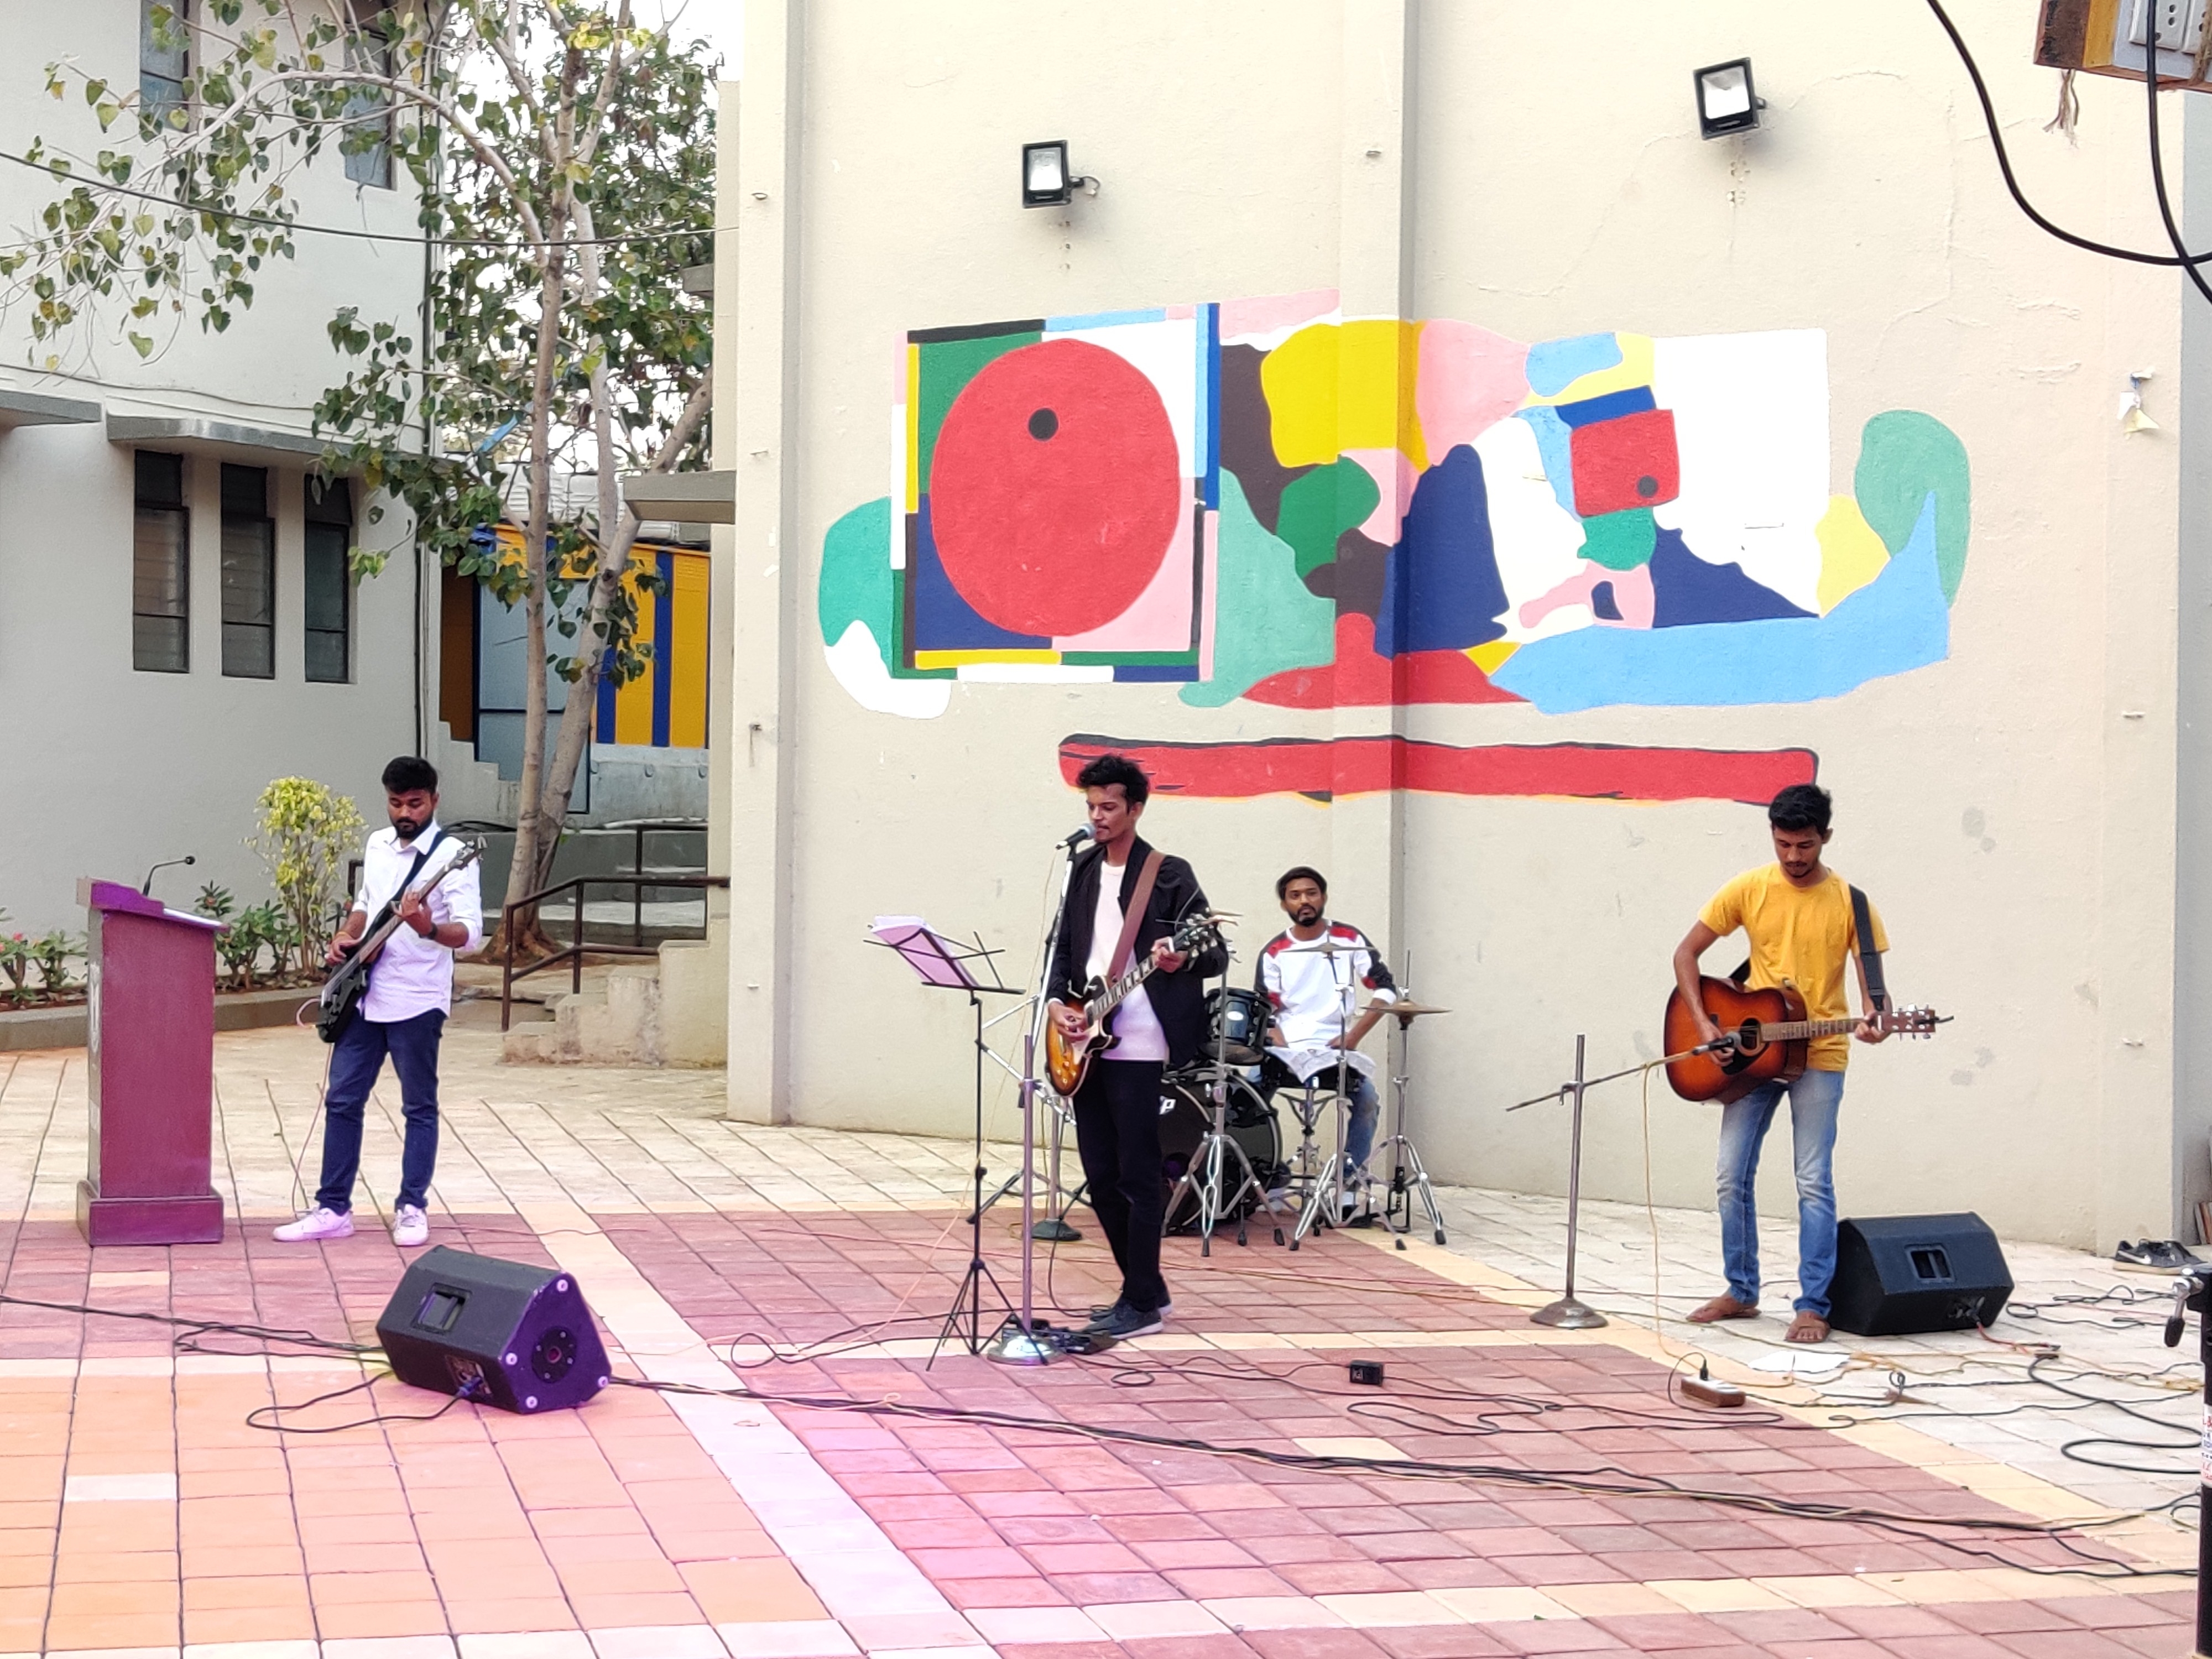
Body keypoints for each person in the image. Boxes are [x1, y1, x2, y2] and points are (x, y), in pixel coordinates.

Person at [1671, 783, 1888, 1344]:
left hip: (1821, 1052)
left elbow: (1875, 998)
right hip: (1753, 1053)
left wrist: (1877, 1021)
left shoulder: (1852, 904)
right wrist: (1704, 1026)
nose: (1793, 856)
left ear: (1826, 837)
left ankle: (1813, 1306)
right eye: (1783, 844)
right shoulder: (1749, 888)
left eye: (1805, 845)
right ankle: (1740, 1290)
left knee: (1812, 1180)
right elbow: (1686, 954)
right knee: (1730, 1174)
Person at [1046, 753, 1227, 1340]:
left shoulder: (1168, 874)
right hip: (1086, 1035)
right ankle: (1145, 1290)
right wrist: (1057, 1004)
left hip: (1142, 1041)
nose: (1097, 817)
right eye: (1091, 806)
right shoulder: (1082, 868)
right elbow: (1063, 949)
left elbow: (1215, 953)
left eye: (1109, 807)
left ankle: (1140, 1302)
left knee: (1138, 1173)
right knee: (1100, 1175)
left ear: (1136, 809)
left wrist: (1182, 958)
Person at [275, 757, 483, 1249]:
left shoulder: (454, 857)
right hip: (364, 994)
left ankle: (412, 1207)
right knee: (343, 1099)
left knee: (418, 1106)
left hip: (418, 998)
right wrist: (345, 936)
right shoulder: (378, 844)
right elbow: (365, 903)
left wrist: (427, 928)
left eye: (415, 804)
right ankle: (333, 1208)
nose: (405, 813)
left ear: (434, 800)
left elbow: (471, 935)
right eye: (396, 803)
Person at [1254, 867, 1399, 1215]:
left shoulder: (1349, 939)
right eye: (1295, 895)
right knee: (1246, 1098)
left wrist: (1354, 1035)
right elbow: (1264, 1007)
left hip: (1336, 1048)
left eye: (1311, 893)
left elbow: (1385, 989)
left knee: (1367, 1100)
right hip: (1288, 1049)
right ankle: (1268, 1174)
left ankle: (1347, 1185)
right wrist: (1276, 1035)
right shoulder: (1275, 951)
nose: (1304, 901)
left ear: (1323, 897)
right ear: (1284, 904)